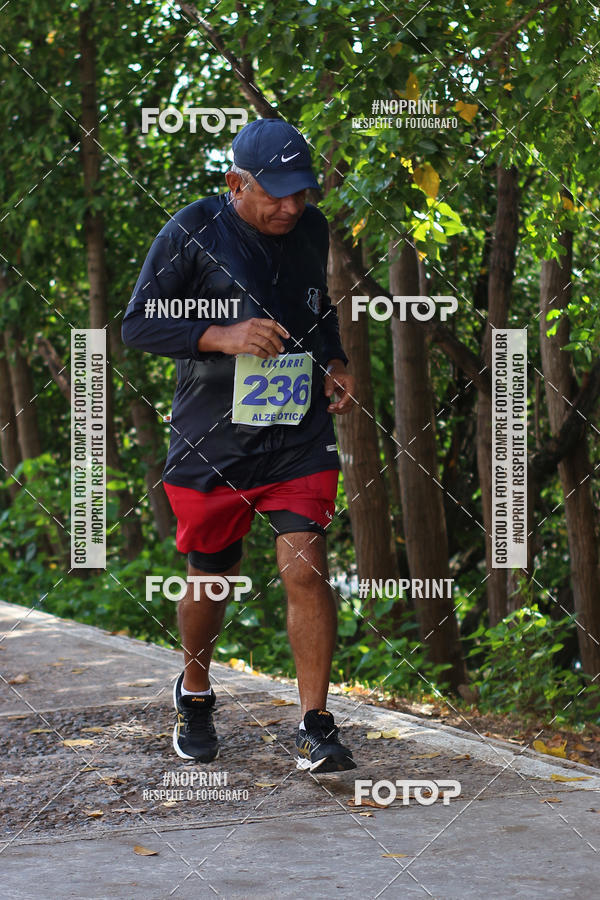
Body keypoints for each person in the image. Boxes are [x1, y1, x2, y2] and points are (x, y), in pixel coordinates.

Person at [122, 117, 356, 773]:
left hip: (297, 432)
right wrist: (221, 336)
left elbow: (318, 305)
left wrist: (336, 360)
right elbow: (137, 324)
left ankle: (315, 725)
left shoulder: (311, 228)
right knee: (213, 578)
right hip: (213, 440)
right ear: (236, 184)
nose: (292, 207)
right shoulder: (192, 231)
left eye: (302, 193)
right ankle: (195, 690)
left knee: (306, 566)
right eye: (278, 194)